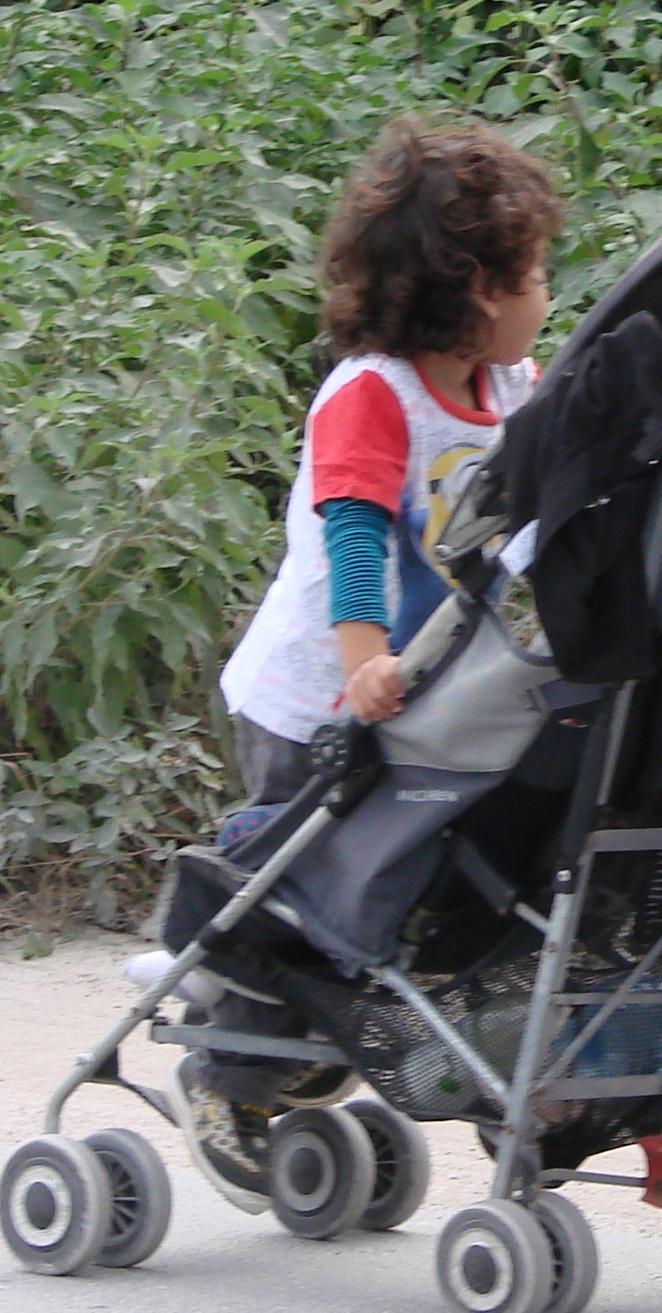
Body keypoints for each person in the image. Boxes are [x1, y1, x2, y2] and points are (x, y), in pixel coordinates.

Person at [180, 116, 561, 1192]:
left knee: (381, 888)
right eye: (534, 273)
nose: (544, 294)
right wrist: (361, 665)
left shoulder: (510, 386)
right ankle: (225, 1069)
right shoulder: (374, 393)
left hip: (420, 692)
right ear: (481, 286)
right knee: (300, 892)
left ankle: (307, 1067)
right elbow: (352, 530)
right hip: (316, 698)